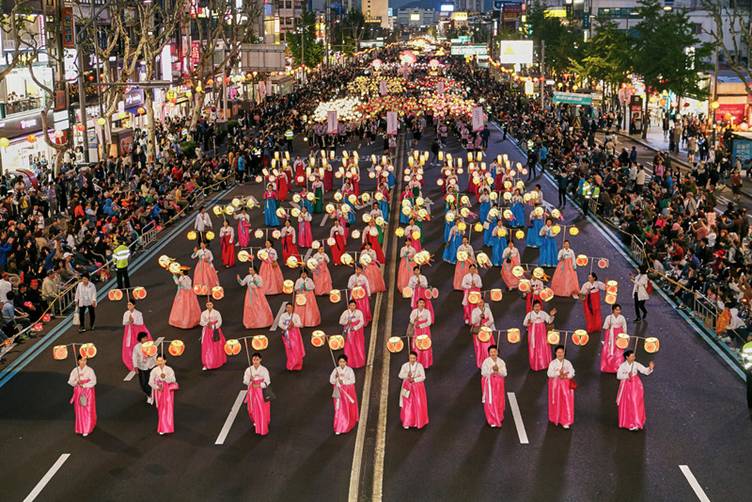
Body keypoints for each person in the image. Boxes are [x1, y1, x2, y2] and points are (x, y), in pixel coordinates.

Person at [616, 350, 655, 431]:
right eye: (632, 356)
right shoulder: (622, 366)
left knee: (635, 403)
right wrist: (627, 375)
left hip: (636, 387)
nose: (634, 357)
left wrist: (650, 368)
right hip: (626, 387)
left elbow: (644, 371)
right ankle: (628, 422)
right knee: (627, 404)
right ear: (627, 357)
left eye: (634, 356)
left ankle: (636, 422)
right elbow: (618, 376)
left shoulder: (636, 364)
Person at [522, 301, 557, 371]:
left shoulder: (543, 313)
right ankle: (535, 364)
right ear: (532, 307)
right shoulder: (530, 314)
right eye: (535, 306)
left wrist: (551, 315)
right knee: (534, 347)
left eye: (538, 306)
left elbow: (549, 321)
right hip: (533, 332)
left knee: (543, 345)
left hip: (542, 332)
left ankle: (545, 363)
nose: (537, 308)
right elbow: (524, 324)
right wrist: (529, 323)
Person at [398, 351, 429, 430]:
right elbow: (400, 375)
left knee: (418, 403)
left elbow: (423, 377)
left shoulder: (420, 366)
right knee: (407, 404)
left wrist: (414, 380)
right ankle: (407, 421)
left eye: (414, 358)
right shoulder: (405, 366)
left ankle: (418, 421)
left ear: (416, 358)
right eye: (410, 358)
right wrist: (407, 375)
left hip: (417, 388)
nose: (412, 359)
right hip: (407, 386)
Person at [149, 354, 179, 435]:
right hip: (159, 391)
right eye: (158, 360)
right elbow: (150, 382)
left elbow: (173, 379)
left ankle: (167, 426)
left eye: (161, 360)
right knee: (161, 409)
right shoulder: (154, 370)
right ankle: (163, 426)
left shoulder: (169, 369)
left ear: (165, 361)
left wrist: (165, 377)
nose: (160, 362)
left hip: (168, 391)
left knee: (168, 408)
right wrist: (157, 387)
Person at [547, 345, 575, 429]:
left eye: (562, 352)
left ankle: (565, 420)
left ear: (564, 353)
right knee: (556, 401)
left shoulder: (567, 362)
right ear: (555, 353)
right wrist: (558, 373)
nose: (560, 354)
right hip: (555, 386)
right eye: (558, 352)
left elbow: (572, 372)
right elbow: (549, 374)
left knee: (566, 401)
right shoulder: (552, 363)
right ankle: (555, 417)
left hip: (565, 386)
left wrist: (566, 375)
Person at [68, 355, 97, 437]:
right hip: (78, 392)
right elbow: (70, 381)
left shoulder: (90, 370)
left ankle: (87, 428)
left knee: (87, 409)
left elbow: (94, 381)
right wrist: (76, 382)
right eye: (81, 360)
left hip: (88, 392)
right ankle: (81, 427)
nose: (83, 362)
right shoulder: (74, 371)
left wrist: (84, 385)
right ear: (78, 361)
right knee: (79, 410)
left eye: (85, 360)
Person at [243, 352, 271, 436]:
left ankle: (263, 425)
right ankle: (256, 420)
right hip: (252, 392)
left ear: (260, 360)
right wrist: (250, 379)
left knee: (261, 409)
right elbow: (245, 381)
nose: (255, 361)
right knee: (251, 409)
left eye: (257, 359)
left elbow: (268, 381)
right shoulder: (249, 370)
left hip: (261, 392)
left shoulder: (264, 369)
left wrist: (259, 385)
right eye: (254, 359)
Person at [330, 355, 359, 435]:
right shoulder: (336, 370)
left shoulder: (350, 370)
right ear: (338, 362)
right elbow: (331, 380)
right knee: (339, 409)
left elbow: (353, 380)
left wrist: (344, 382)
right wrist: (335, 378)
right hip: (338, 392)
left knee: (347, 408)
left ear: (346, 362)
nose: (342, 363)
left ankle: (348, 423)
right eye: (340, 362)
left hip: (347, 393)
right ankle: (339, 427)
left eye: (343, 362)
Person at [480, 345, 506, 428]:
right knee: (490, 400)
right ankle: (492, 418)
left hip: (499, 384)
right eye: (491, 352)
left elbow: (505, 373)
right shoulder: (486, 362)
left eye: (494, 351)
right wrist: (491, 370)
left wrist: (498, 370)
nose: (493, 353)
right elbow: (483, 373)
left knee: (499, 399)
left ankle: (499, 415)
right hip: (489, 384)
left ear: (497, 352)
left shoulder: (501, 362)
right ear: (489, 353)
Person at [122, 301, 152, 372]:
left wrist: (133, 321)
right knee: (129, 346)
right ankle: (132, 360)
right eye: (128, 304)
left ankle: (143, 359)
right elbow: (124, 323)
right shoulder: (126, 313)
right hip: (129, 331)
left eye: (130, 304)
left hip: (137, 330)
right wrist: (129, 322)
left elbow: (141, 322)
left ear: (134, 305)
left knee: (138, 344)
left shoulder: (138, 313)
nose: (129, 306)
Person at [199, 302, 227, 371]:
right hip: (207, 331)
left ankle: (217, 361)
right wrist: (206, 324)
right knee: (207, 346)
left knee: (217, 345)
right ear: (206, 305)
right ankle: (206, 363)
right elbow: (201, 321)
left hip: (215, 330)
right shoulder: (203, 313)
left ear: (212, 305)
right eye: (207, 305)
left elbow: (220, 321)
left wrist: (213, 326)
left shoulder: (217, 312)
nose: (209, 306)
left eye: (210, 304)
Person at [279, 303, 305, 371]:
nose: (289, 309)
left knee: (296, 349)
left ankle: (297, 364)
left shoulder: (296, 315)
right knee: (289, 349)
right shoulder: (283, 315)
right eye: (287, 307)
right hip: (286, 334)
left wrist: (294, 324)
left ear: (293, 308)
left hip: (295, 334)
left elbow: (301, 324)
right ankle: (290, 364)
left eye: (290, 307)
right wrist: (286, 327)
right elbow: (280, 324)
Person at [601, 304, 627, 373]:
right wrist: (609, 327)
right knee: (608, 349)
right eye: (617, 310)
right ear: (613, 310)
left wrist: (625, 336)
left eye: (619, 310)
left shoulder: (622, 318)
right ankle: (607, 367)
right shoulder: (608, 317)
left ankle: (617, 367)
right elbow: (605, 327)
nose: (618, 311)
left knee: (619, 350)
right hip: (610, 334)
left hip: (619, 334)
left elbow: (624, 327)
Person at [340, 300, 366, 368]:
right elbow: (341, 321)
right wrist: (346, 321)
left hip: (357, 333)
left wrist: (355, 328)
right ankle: (350, 362)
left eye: (353, 305)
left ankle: (359, 362)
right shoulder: (345, 313)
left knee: (358, 346)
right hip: (348, 333)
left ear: (355, 306)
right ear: (348, 306)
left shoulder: (359, 312)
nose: (352, 307)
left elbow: (362, 322)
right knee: (349, 347)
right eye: (351, 305)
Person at [409, 298, 433, 369]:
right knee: (416, 345)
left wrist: (421, 325)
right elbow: (411, 320)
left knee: (425, 344)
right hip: (416, 330)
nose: (422, 304)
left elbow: (429, 322)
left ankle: (425, 363)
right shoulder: (414, 311)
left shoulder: (427, 312)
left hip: (425, 330)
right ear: (417, 304)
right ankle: (417, 362)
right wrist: (415, 320)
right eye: (420, 303)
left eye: (423, 303)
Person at [470, 299, 495, 368]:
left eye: (481, 302)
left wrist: (485, 325)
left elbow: (491, 320)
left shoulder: (487, 310)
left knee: (487, 346)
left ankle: (490, 361)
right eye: (479, 302)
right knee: (479, 348)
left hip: (486, 330)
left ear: (484, 302)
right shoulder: (474, 311)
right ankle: (481, 362)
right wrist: (479, 317)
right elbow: (473, 321)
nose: (480, 304)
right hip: (478, 331)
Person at [133, 332, 157, 403]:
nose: (146, 339)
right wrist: (135, 366)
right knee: (143, 384)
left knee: (151, 382)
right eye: (144, 338)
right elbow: (134, 357)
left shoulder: (151, 345)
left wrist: (159, 363)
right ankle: (149, 394)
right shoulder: (137, 347)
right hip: (142, 368)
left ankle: (150, 395)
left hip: (151, 366)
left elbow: (155, 355)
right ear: (140, 339)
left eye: (146, 337)